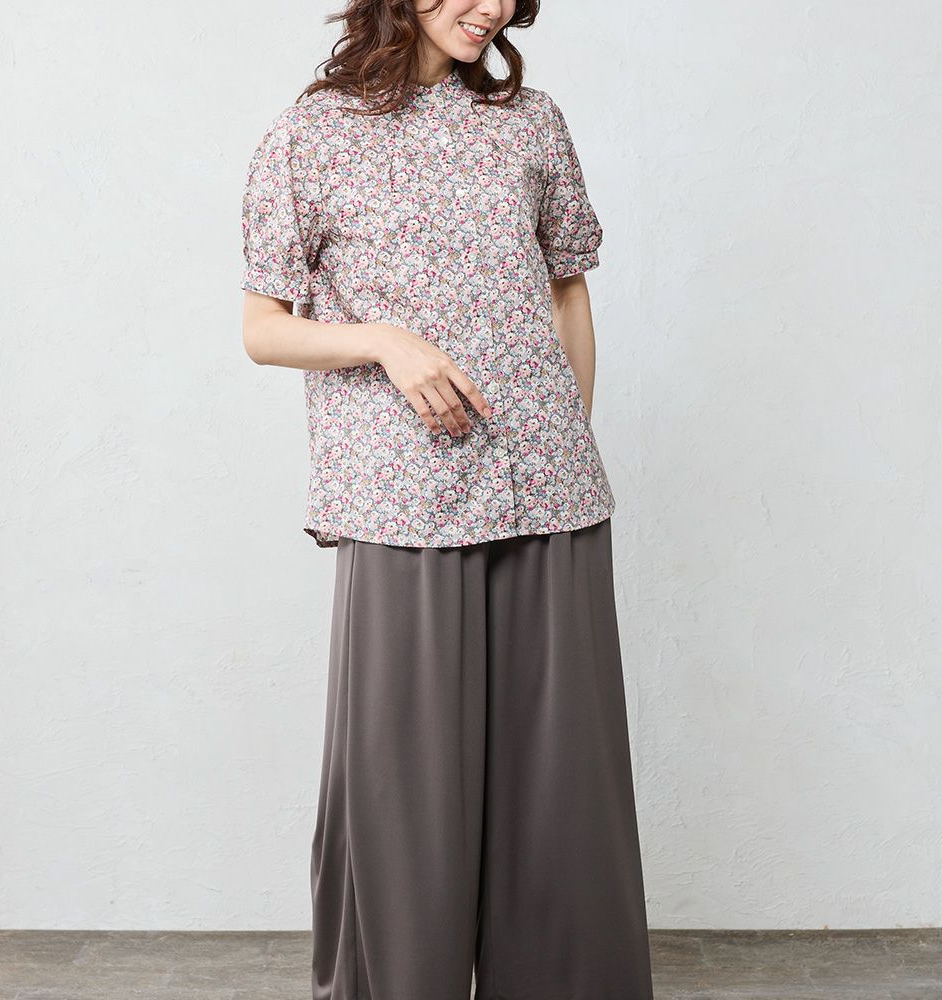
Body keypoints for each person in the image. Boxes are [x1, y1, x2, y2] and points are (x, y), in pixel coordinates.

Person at [240, 1, 655, 997]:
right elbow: (263, 327)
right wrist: (384, 341)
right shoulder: (313, 132)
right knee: (404, 795)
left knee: (560, 795)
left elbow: (567, 291)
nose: (491, 8)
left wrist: (564, 440)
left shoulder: (530, 122)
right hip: (403, 502)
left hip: (550, 495)